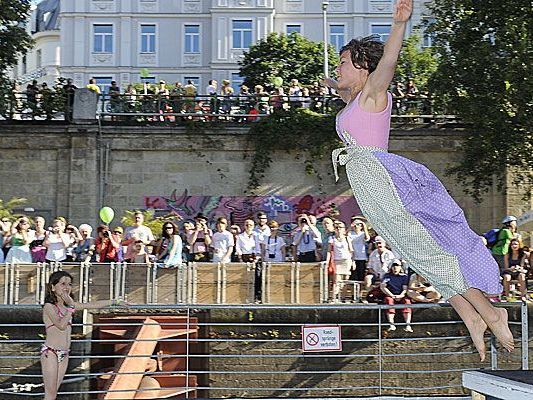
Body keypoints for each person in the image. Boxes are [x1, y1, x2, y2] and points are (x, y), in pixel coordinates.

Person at [325, 0, 513, 361]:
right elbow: (345, 92)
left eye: (343, 62)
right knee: (415, 253)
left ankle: (492, 313)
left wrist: (399, 24)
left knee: (428, 247)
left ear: (364, 67)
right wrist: (333, 82)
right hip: (370, 186)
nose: (338, 66)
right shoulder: (353, 99)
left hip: (384, 180)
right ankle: (470, 315)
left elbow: (388, 64)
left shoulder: (373, 93)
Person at [41, 270, 127, 400]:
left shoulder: (70, 306)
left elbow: (92, 304)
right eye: (63, 284)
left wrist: (116, 302)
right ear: (53, 287)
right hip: (51, 352)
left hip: (64, 353)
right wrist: (70, 308)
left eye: (69, 284)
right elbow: (61, 325)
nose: (67, 288)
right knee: (50, 393)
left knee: (54, 393)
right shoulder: (49, 307)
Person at [380, 260, 412, 332]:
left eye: (397, 266)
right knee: (389, 301)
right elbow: (383, 287)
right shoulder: (387, 276)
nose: (395, 268)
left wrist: (401, 295)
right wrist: (391, 295)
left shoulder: (404, 277)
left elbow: (405, 288)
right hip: (390, 295)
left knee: (407, 301)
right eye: (393, 266)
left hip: (401, 295)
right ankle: (391, 324)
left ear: (400, 267)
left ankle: (408, 325)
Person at [325, 221, 353, 302]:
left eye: (340, 227)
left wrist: (352, 261)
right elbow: (329, 251)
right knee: (336, 280)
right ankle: (334, 298)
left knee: (345, 280)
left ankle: (343, 297)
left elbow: (351, 250)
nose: (338, 229)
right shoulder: (332, 239)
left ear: (344, 229)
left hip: (346, 260)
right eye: (337, 227)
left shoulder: (347, 238)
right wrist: (327, 261)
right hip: (337, 261)